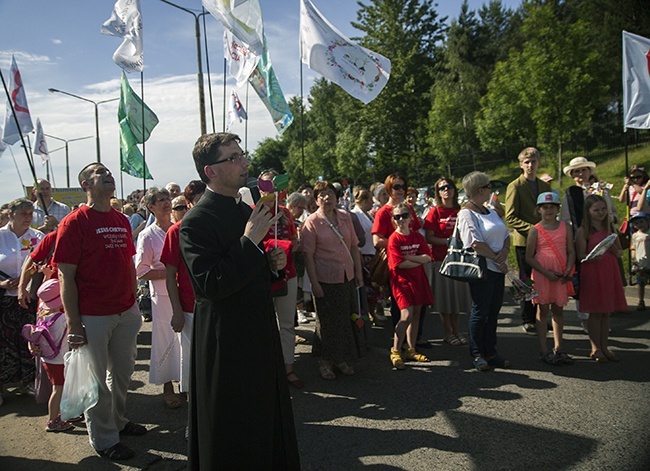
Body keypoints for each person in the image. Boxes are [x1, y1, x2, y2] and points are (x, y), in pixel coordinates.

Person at [179, 133, 300, 469]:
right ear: (211, 171)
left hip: (258, 329)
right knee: (234, 427)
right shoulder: (195, 222)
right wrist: (250, 242)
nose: (244, 162)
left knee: (266, 417)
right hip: (226, 340)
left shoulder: (247, 209)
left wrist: (272, 264)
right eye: (233, 158)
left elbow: (251, 268)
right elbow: (211, 284)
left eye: (241, 154)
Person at [54, 163, 146, 461]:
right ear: (85, 184)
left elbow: (128, 263)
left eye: (108, 171)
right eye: (98, 172)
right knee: (96, 381)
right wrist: (74, 322)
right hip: (93, 315)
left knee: (122, 373)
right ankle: (105, 439)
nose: (107, 174)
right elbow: (65, 275)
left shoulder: (120, 220)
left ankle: (118, 421)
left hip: (124, 311)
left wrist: (132, 301)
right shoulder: (74, 222)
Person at [301, 180, 364, 380]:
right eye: (322, 195)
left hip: (346, 276)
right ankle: (325, 361)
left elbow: (354, 246)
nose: (327, 198)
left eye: (330, 194)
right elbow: (308, 256)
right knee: (327, 323)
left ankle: (341, 358)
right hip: (325, 279)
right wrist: (314, 284)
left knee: (345, 319)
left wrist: (358, 272)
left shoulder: (346, 217)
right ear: (316, 199)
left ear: (337, 197)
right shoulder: (311, 222)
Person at [457, 172, 511, 371]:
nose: (491, 189)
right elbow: (474, 242)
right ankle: (477, 352)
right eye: (489, 186)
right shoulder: (466, 213)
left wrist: (504, 253)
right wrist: (497, 259)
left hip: (497, 268)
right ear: (480, 189)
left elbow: (505, 235)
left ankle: (491, 350)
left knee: (494, 310)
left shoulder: (491, 210)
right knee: (480, 311)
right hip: (483, 269)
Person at [135, 187, 181, 409]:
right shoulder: (147, 235)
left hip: (184, 293)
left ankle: (186, 382)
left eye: (168, 198)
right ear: (150, 207)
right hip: (162, 296)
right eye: (160, 200)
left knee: (185, 339)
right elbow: (141, 271)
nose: (166, 202)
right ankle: (167, 386)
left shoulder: (179, 229)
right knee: (165, 339)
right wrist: (169, 273)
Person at [257, 169, 303, 389]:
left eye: (272, 186)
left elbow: (294, 241)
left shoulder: (285, 212)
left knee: (286, 324)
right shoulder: (251, 212)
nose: (268, 191)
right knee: (263, 325)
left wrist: (286, 247)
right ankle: (267, 370)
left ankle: (288, 368)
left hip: (288, 274)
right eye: (264, 186)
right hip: (261, 277)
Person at [161, 180, 205, 406]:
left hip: (215, 307)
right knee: (189, 364)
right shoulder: (175, 232)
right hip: (188, 309)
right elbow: (170, 275)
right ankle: (194, 419)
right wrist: (176, 310)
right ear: (188, 203)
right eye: (198, 201)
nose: (203, 205)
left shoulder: (216, 226)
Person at [372, 173, 427, 342]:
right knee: (400, 305)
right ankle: (399, 343)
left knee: (419, 302)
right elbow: (377, 241)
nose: (401, 190)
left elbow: (416, 230)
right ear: (389, 189)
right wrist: (398, 244)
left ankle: (415, 339)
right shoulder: (383, 212)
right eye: (396, 186)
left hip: (414, 260)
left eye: (403, 186)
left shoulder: (408, 209)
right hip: (396, 263)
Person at [0, 198, 44, 405]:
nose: (28, 217)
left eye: (31, 213)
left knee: (28, 341)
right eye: (23, 213)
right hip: (3, 300)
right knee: (3, 343)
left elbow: (44, 266)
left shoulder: (37, 237)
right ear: (11, 215)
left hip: (29, 298)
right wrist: (2, 284)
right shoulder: (0, 237)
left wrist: (29, 286)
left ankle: (28, 381)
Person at [525, 192, 575, 366]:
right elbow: (529, 256)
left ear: (557, 209)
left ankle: (559, 347)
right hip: (542, 275)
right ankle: (543, 348)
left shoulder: (565, 227)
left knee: (558, 309)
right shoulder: (535, 230)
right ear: (539, 209)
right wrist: (545, 273)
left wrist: (569, 268)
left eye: (552, 206)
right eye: (545, 207)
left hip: (561, 274)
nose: (549, 210)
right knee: (542, 310)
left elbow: (571, 250)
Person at [575, 194, 627, 363]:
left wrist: (614, 249)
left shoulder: (610, 228)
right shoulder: (583, 231)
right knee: (595, 313)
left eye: (603, 209)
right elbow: (580, 254)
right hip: (593, 272)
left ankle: (605, 347)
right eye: (596, 210)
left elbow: (620, 251)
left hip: (609, 271)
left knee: (606, 313)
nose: (601, 213)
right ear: (588, 212)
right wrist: (591, 257)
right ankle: (595, 347)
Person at [505, 147, 551, 334]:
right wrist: (532, 230)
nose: (530, 165)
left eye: (533, 161)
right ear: (521, 164)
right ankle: (528, 317)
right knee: (526, 280)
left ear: (538, 163)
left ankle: (541, 316)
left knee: (542, 279)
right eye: (527, 162)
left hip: (545, 240)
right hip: (524, 241)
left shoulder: (545, 186)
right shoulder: (515, 186)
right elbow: (510, 216)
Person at [424, 177, 471, 346]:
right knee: (444, 299)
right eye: (442, 188)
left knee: (456, 298)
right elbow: (429, 237)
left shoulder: (461, 210)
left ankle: (458, 331)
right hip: (441, 260)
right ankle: (448, 332)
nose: (446, 190)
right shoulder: (434, 212)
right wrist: (448, 241)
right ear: (438, 192)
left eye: (449, 187)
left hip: (459, 260)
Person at [387, 203, 433, 370]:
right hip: (401, 283)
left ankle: (411, 349)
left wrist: (410, 258)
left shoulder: (417, 236)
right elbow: (399, 264)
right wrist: (417, 259)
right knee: (405, 315)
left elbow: (428, 257)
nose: (401, 219)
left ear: (411, 217)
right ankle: (396, 350)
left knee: (416, 315)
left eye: (404, 215)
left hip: (418, 280)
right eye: (397, 216)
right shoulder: (394, 239)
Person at [29, 279, 77, 432]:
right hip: (59, 361)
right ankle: (53, 420)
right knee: (58, 389)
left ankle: (63, 413)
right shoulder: (62, 319)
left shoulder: (41, 316)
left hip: (47, 359)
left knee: (59, 388)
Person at [350, 187, 383, 324]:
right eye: (369, 199)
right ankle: (368, 315)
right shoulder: (355, 215)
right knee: (366, 290)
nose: (372, 202)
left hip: (372, 253)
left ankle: (372, 313)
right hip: (363, 255)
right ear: (363, 201)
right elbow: (355, 238)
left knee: (374, 289)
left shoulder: (367, 214)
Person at [630, 212, 650, 310]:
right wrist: (634, 260)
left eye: (642, 222)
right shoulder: (635, 236)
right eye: (637, 223)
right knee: (641, 282)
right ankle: (641, 301)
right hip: (641, 263)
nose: (640, 224)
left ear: (647, 221)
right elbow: (633, 249)